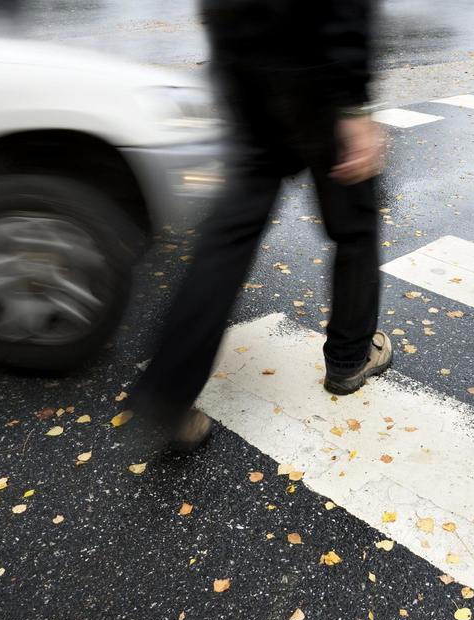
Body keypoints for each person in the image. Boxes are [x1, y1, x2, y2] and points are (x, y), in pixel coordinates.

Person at [127, 0, 390, 451]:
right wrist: (353, 105)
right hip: (314, 65)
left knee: (229, 237)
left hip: (244, 61)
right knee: (355, 224)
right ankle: (349, 358)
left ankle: (168, 392)